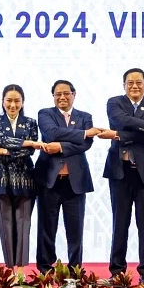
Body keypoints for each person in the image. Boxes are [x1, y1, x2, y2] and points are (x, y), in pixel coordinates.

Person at [99, 68, 144, 283]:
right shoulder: (114, 102)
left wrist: (119, 135)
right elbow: (120, 121)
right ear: (124, 85)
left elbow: (139, 136)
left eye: (139, 82)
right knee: (119, 223)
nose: (134, 86)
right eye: (130, 82)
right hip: (119, 171)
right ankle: (117, 272)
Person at [34, 80, 103, 273]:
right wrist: (83, 134)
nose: (62, 97)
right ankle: (45, 270)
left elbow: (86, 145)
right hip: (50, 180)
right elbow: (51, 133)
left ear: (74, 94)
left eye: (66, 93)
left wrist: (62, 146)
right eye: (58, 94)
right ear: (53, 96)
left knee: (75, 230)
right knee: (47, 228)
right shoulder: (45, 114)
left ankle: (75, 271)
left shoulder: (85, 117)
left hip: (76, 181)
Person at [0, 84, 42, 274]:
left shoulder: (31, 122)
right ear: (2, 101)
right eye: (9, 100)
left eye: (17, 101)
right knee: (5, 223)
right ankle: (9, 270)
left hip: (25, 177)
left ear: (22, 102)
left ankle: (21, 271)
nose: (12, 104)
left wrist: (4, 151)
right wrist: (26, 144)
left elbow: (31, 151)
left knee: (23, 222)